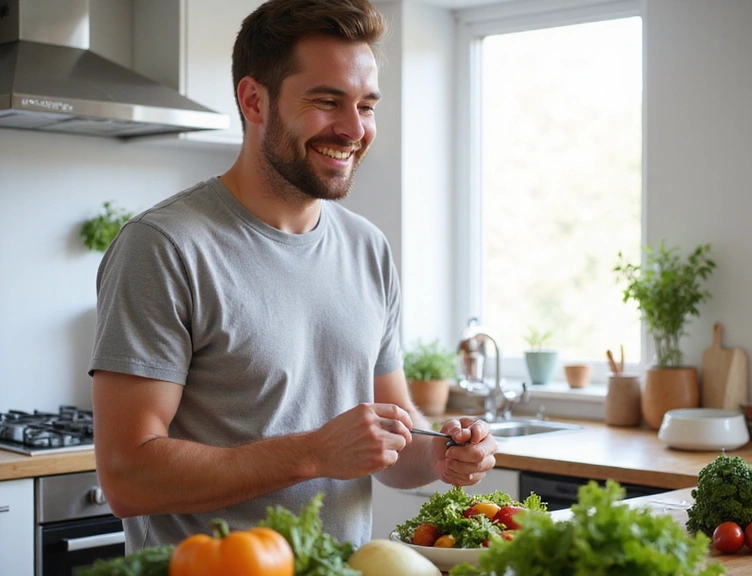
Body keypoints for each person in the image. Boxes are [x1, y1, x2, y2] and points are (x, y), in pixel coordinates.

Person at [89, 0, 498, 553]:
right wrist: (313, 453)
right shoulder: (165, 246)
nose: (354, 129)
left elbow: (393, 443)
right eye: (327, 101)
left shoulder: (366, 248)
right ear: (254, 100)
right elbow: (127, 477)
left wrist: (441, 452)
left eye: (367, 106)